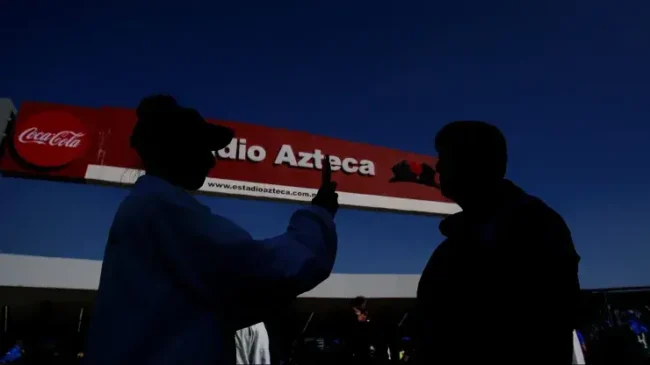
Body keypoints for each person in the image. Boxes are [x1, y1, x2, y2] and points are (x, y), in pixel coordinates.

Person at [83, 95, 339, 364]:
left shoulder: (146, 209)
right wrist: (319, 214)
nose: (212, 161)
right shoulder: (164, 210)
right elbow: (266, 271)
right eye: (204, 148)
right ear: (176, 146)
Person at [415, 121, 581, 364]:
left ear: (479, 161)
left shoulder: (528, 225)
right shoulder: (467, 233)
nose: (438, 166)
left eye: (448, 157)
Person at [344, 296, 393, 365]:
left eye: (356, 311)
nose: (355, 314)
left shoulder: (374, 327)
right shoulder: (353, 327)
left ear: (365, 313)